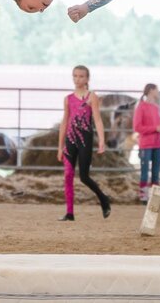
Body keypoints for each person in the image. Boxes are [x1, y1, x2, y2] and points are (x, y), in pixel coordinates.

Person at [57, 65, 110, 221]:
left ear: (87, 79)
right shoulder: (68, 99)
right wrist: (60, 147)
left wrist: (101, 140)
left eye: (81, 76)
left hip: (85, 140)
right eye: (75, 76)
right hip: (70, 140)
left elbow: (98, 120)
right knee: (68, 174)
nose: (77, 79)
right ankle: (69, 213)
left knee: (84, 177)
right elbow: (64, 122)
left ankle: (103, 198)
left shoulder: (91, 97)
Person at [133, 83, 160, 202]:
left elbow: (157, 124)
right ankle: (143, 195)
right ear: (151, 90)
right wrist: (155, 129)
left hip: (157, 143)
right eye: (157, 90)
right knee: (144, 171)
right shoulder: (141, 107)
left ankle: (154, 195)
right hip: (146, 144)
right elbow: (137, 127)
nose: (158, 92)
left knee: (156, 171)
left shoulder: (156, 107)